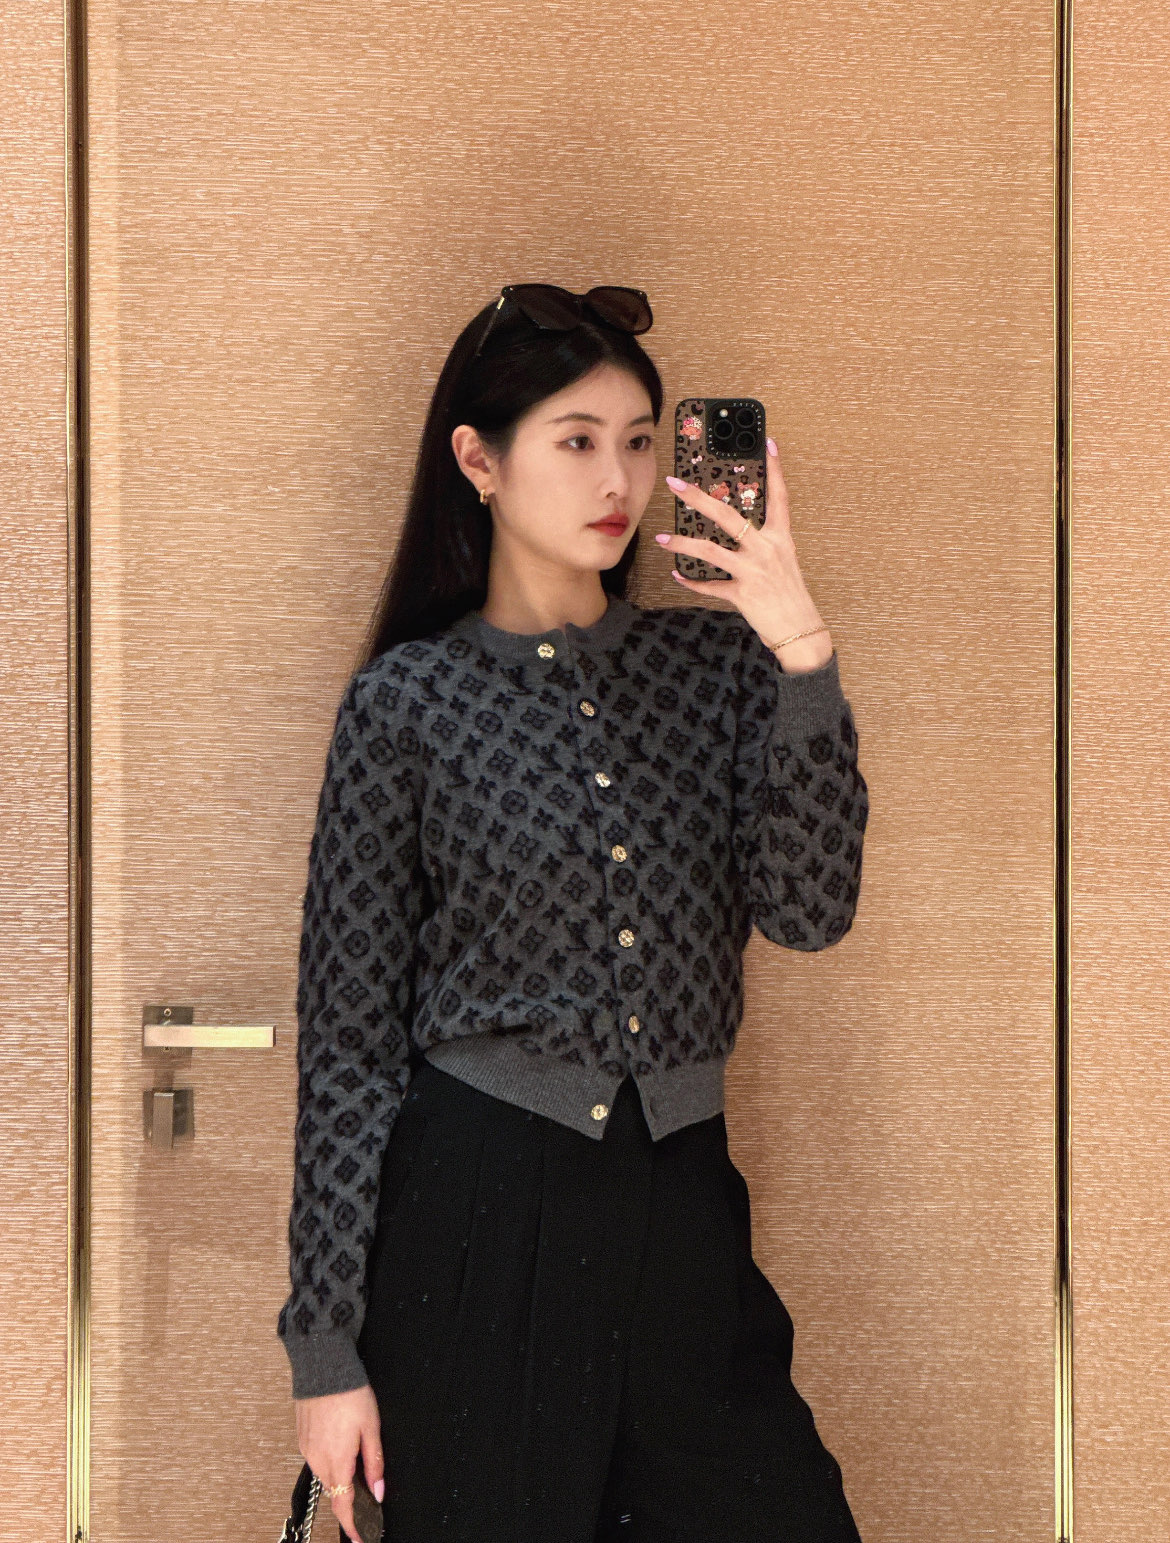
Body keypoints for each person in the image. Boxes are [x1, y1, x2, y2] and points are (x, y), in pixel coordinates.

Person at [277, 283, 870, 1543]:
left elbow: (811, 909)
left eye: (642, 441)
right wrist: (325, 1349)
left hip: (683, 1214)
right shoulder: (407, 705)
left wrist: (801, 649)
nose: (622, 479)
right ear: (479, 461)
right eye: (579, 439)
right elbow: (347, 1049)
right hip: (475, 1216)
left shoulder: (721, 668)